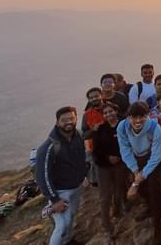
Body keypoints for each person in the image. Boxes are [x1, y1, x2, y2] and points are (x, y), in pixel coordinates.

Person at [35, 106, 87, 245]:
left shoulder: (78, 136)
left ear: (76, 118)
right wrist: (55, 199)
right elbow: (42, 176)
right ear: (57, 122)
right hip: (60, 192)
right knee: (62, 225)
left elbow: (82, 158)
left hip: (76, 186)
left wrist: (85, 176)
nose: (68, 122)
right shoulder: (49, 147)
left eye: (71, 118)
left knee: (71, 217)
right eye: (64, 120)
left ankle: (68, 241)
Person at [117, 101, 161, 236]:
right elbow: (125, 150)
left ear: (147, 115)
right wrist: (136, 171)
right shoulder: (122, 127)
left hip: (153, 157)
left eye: (142, 116)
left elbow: (157, 155)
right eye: (134, 117)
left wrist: (140, 177)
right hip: (136, 156)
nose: (138, 121)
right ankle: (149, 207)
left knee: (154, 188)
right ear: (128, 117)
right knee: (143, 188)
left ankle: (158, 224)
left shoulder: (155, 128)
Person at [93, 102, 128, 242]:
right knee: (105, 197)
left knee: (119, 188)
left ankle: (119, 211)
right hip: (103, 166)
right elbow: (96, 151)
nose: (109, 114)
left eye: (111, 111)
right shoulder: (100, 129)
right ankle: (108, 229)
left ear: (116, 111)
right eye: (105, 113)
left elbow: (128, 143)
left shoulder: (124, 125)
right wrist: (108, 158)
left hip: (120, 163)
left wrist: (119, 157)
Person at [82, 87, 106, 187]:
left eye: (96, 96)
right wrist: (93, 130)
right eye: (91, 98)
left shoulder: (111, 108)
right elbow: (84, 135)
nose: (94, 99)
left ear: (101, 95)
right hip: (96, 149)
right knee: (102, 178)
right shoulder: (87, 115)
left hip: (115, 146)